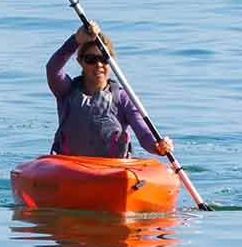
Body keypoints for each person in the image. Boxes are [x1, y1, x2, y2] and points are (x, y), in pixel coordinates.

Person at [44, 21, 173, 159]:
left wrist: (157, 146)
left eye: (103, 59)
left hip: (112, 168)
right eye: (90, 59)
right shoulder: (66, 91)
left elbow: (143, 133)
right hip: (70, 167)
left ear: (111, 62)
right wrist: (76, 40)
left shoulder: (123, 98)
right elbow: (53, 68)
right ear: (80, 61)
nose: (98, 64)